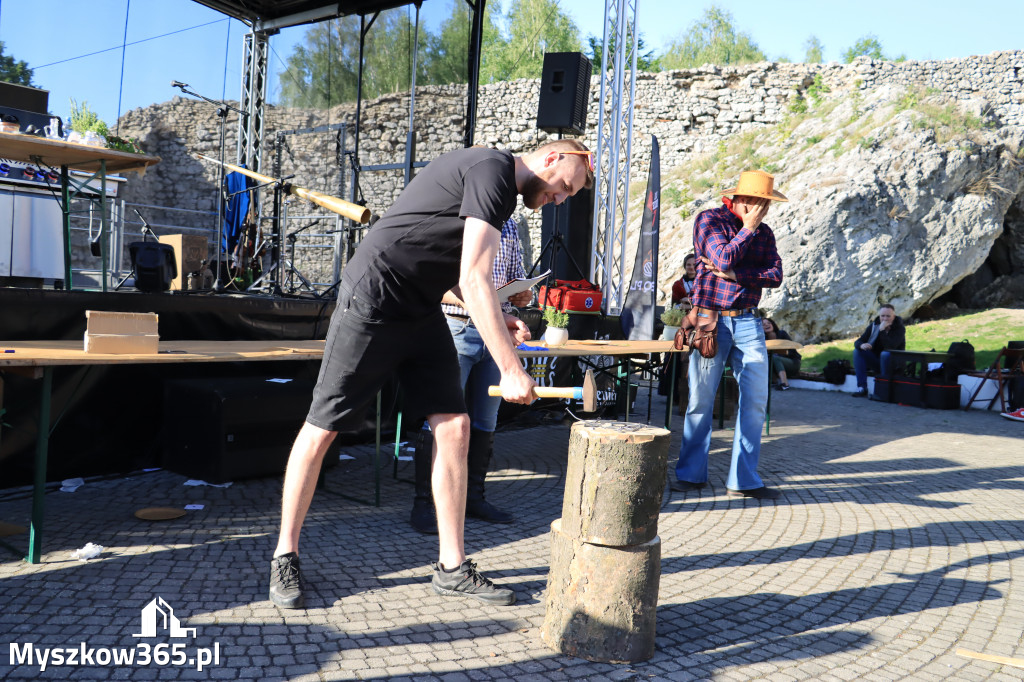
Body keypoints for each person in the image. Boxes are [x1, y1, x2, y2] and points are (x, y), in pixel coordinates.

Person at [268, 140, 594, 609]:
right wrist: (509, 365)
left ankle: (452, 567)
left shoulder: (498, 190)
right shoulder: (493, 170)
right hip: (373, 300)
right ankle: (285, 554)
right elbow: (477, 275)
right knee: (323, 428)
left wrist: (497, 315)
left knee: (456, 425)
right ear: (551, 159)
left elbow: (454, 270)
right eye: (565, 187)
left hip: (421, 309)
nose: (560, 199)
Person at [409, 217, 533, 533]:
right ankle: (424, 504)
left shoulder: (510, 225)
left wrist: (521, 297)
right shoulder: (462, 219)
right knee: (441, 419)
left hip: (495, 334)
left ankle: (473, 499)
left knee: (486, 421)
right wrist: (483, 301)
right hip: (455, 328)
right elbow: (434, 284)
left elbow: (513, 281)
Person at [672, 170, 786, 501]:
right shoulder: (709, 219)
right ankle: (690, 475)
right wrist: (747, 230)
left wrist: (738, 274)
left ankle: (744, 480)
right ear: (738, 198)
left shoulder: (766, 234)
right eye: (758, 201)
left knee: (754, 402)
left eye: (765, 203)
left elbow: (775, 275)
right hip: (710, 320)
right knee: (700, 400)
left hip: (749, 321)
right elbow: (721, 256)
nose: (762, 208)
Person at [852, 304, 905, 397]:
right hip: (877, 362)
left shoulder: (899, 329)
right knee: (857, 351)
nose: (885, 319)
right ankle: (861, 387)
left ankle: (884, 388)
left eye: (888, 316)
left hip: (893, 363)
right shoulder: (874, 325)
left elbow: (890, 347)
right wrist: (861, 345)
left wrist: (882, 330)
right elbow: (858, 341)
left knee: (885, 354)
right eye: (882, 316)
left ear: (894, 317)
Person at [761, 318, 801, 390]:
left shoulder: (782, 334)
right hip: (776, 366)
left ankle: (785, 384)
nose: (766, 325)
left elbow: (792, 351)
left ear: (773, 324)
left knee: (775, 358)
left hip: (792, 364)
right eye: (763, 324)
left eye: (769, 323)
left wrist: (779, 354)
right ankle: (773, 381)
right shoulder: (763, 339)